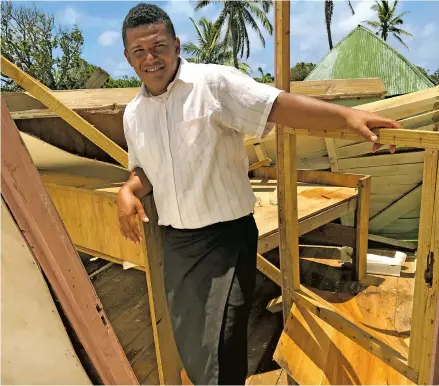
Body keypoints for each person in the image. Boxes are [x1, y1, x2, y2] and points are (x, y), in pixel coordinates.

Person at [117, 3, 400, 385]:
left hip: (226, 238)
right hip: (178, 246)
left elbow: (278, 106)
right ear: (128, 57)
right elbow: (146, 171)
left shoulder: (213, 84)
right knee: (192, 345)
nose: (151, 58)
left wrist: (346, 118)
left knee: (222, 345)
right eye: (140, 51)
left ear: (177, 45)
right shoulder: (134, 114)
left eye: (159, 46)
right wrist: (129, 188)